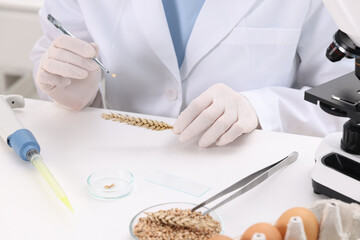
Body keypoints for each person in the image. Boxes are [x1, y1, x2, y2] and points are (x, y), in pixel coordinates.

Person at [30, 0, 353, 148]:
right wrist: (71, 91)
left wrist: (263, 109)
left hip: (252, 165)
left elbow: (345, 96)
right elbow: (53, 49)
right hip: (119, 161)